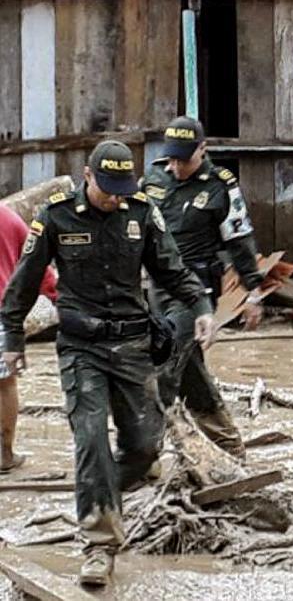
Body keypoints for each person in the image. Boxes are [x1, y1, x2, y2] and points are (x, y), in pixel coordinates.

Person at [0, 141, 214, 587]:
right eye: (108, 189)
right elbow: (23, 282)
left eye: (122, 189)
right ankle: (99, 544)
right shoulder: (55, 217)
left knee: (144, 448)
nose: (115, 198)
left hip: (134, 344)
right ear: (87, 175)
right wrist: (13, 339)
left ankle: (100, 494)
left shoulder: (140, 212)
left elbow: (169, 268)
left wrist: (201, 305)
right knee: (91, 440)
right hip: (82, 348)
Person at [141, 116, 263, 458]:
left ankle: (143, 455)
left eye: (186, 159)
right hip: (156, 288)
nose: (178, 167)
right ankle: (228, 444)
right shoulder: (152, 177)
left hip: (196, 291)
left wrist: (253, 292)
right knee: (189, 367)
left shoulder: (220, 185)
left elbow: (240, 239)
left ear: (203, 149)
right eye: (173, 159)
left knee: (164, 365)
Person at [0, 204, 58, 474]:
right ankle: (4, 453)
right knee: (4, 384)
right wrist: (58, 297)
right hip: (3, 311)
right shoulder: (9, 217)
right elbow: (37, 261)